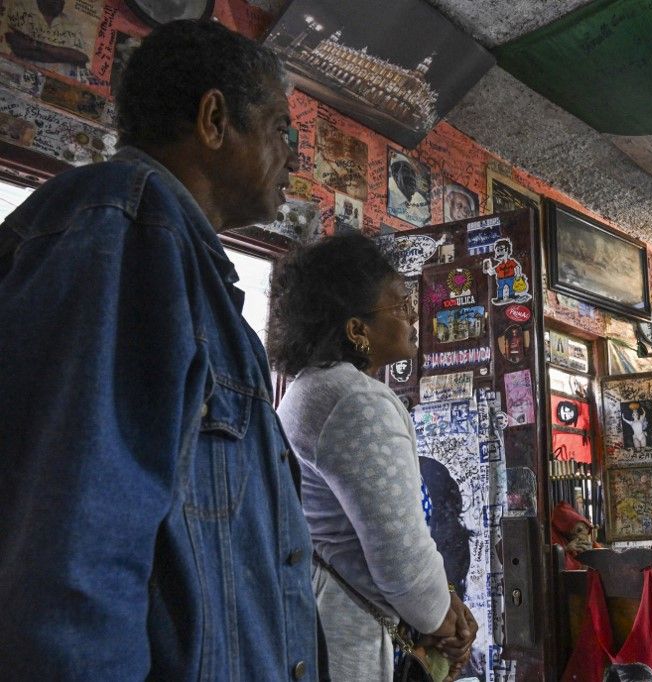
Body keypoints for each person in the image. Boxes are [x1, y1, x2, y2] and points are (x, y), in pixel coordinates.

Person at [0, 20, 322, 679]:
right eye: (282, 130)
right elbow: (72, 560)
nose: (294, 158)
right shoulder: (124, 230)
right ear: (214, 120)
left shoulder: (185, 265)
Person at [268, 233, 477, 682]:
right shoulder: (356, 401)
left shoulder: (310, 389)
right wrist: (449, 626)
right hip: (345, 641)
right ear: (357, 330)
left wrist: (444, 605)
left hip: (313, 621)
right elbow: (400, 556)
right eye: (400, 306)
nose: (413, 317)